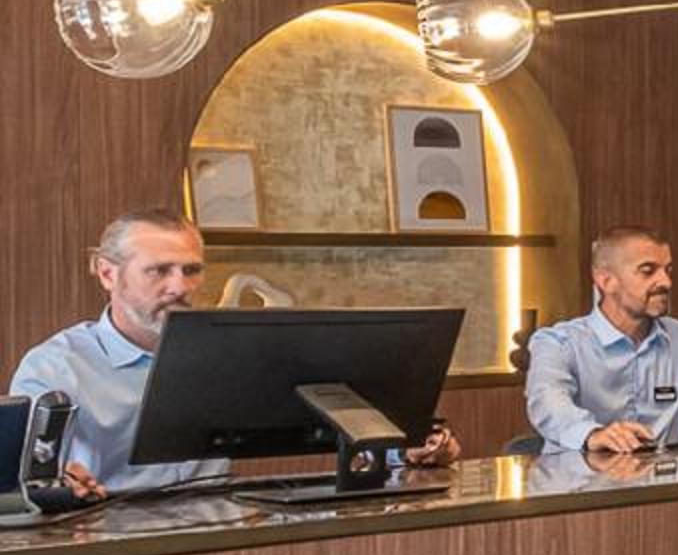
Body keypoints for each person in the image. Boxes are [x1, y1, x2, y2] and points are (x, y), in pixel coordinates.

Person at [9, 208, 458, 496]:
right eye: (159, 271)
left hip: (225, 535)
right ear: (108, 274)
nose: (180, 287)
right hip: (111, 552)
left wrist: (407, 450)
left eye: (191, 270)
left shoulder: (230, 348)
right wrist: (56, 484)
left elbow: (319, 420)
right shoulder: (56, 366)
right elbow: (22, 482)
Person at [523, 225, 678, 454]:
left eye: (668, 270)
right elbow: (547, 403)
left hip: (664, 476)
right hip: (582, 477)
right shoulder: (558, 343)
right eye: (648, 271)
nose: (666, 282)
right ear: (606, 281)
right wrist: (592, 434)